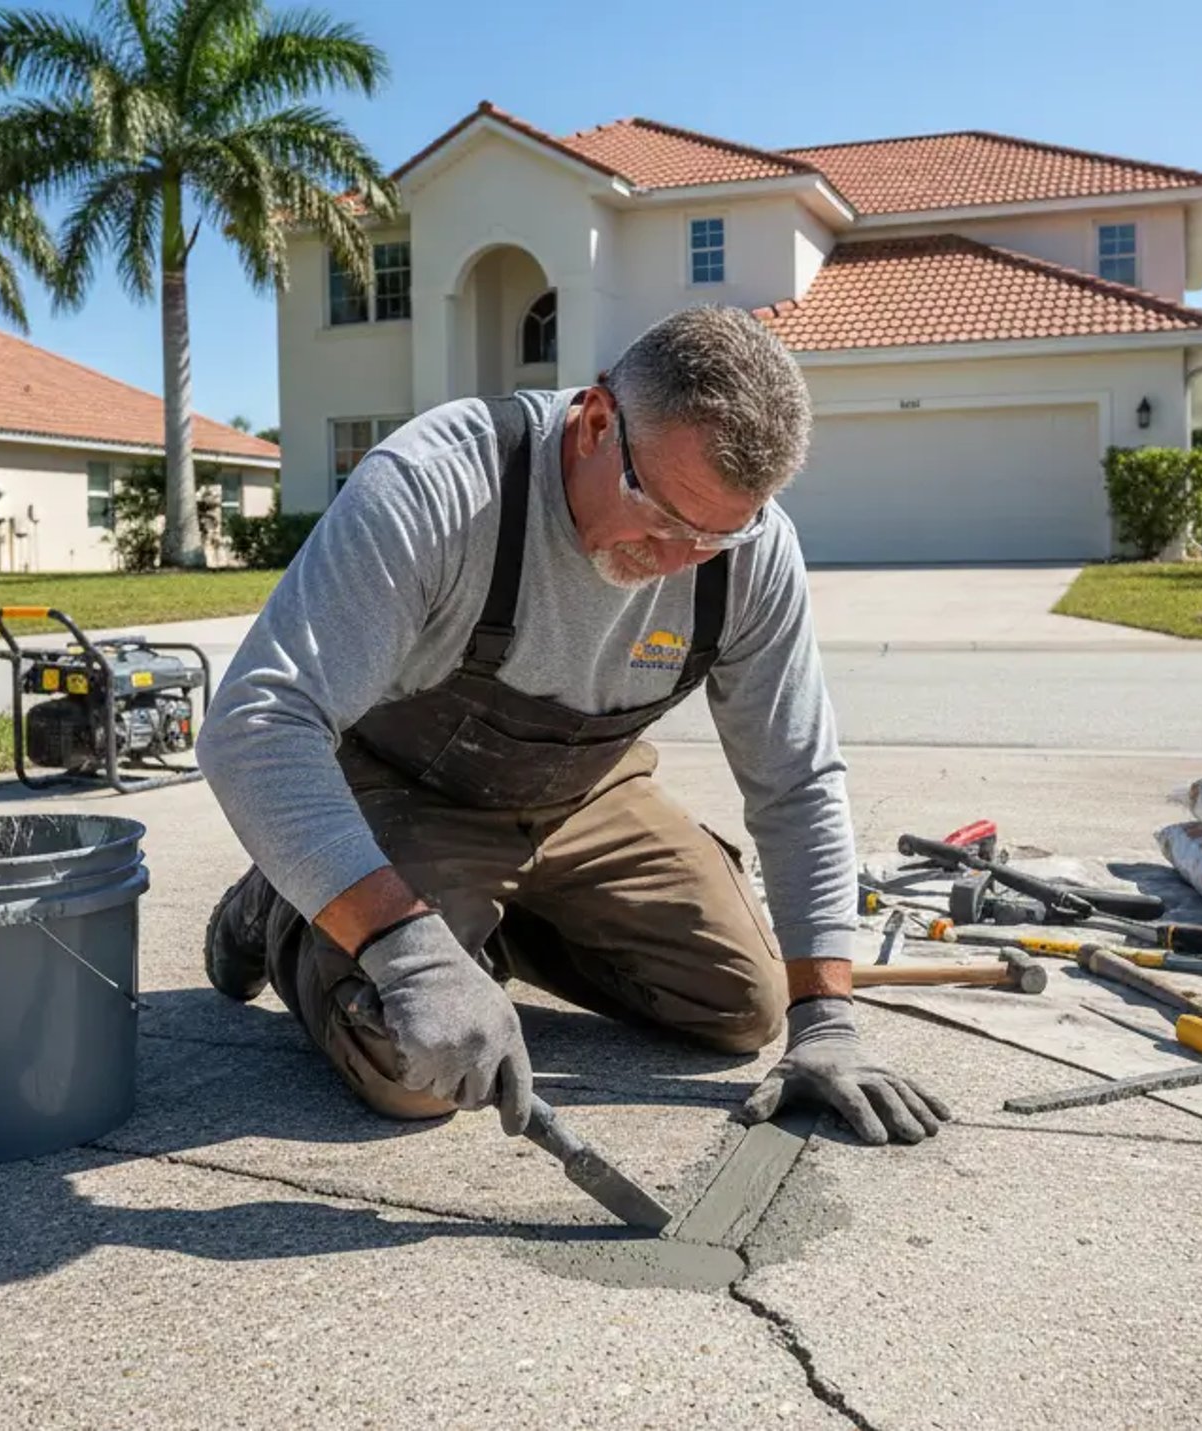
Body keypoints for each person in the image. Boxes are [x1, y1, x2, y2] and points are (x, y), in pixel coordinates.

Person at [197, 304, 950, 1147]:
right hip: (409, 784)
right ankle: (284, 903)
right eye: (661, 515)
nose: (674, 560)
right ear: (597, 421)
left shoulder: (754, 550)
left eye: (712, 538)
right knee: (410, 1069)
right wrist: (409, 950)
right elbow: (257, 724)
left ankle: (473, 920)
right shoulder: (442, 487)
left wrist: (827, 1023)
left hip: (588, 792)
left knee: (742, 1004)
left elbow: (796, 778)